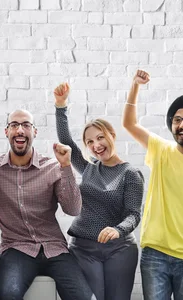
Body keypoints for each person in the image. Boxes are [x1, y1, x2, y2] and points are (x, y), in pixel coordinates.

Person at [0, 107, 96, 300]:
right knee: (9, 294)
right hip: (16, 249)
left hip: (54, 248)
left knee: (82, 296)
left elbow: (73, 209)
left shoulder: (53, 167)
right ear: (6, 132)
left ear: (34, 132)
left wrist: (66, 166)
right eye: (14, 125)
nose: (20, 130)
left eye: (26, 125)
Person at [122, 69, 183, 300]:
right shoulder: (160, 149)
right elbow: (129, 123)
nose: (182, 124)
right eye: (177, 119)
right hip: (155, 253)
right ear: (171, 125)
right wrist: (135, 86)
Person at [53, 82, 144, 300]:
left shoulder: (130, 173)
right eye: (90, 141)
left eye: (100, 137)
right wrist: (60, 105)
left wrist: (117, 229)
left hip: (119, 249)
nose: (96, 145)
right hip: (83, 248)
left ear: (112, 134)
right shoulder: (88, 168)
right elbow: (66, 141)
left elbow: (134, 213)